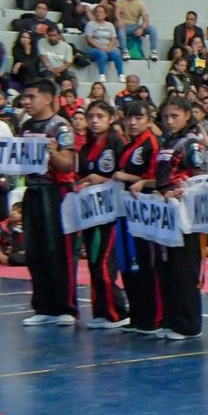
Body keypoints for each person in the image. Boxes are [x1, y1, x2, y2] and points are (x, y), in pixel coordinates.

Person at [150, 96, 207, 341]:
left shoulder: (192, 143)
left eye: (174, 116)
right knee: (167, 267)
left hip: (186, 214)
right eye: (165, 117)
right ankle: (171, 318)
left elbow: (199, 176)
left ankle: (189, 324)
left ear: (187, 115)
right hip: (166, 211)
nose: (169, 121)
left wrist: (182, 190)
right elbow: (163, 177)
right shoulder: (167, 142)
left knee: (185, 269)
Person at [74, 100, 130, 329]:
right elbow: (82, 175)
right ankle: (101, 311)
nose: (94, 121)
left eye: (100, 116)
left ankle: (117, 312)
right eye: (91, 117)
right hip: (92, 212)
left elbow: (123, 176)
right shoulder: (86, 147)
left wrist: (101, 180)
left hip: (113, 213)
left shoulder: (118, 143)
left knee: (105, 263)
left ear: (111, 118)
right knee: (94, 262)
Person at [114, 100, 164, 335]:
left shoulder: (151, 145)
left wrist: (127, 177)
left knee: (144, 264)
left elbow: (157, 180)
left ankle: (151, 317)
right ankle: (137, 314)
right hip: (127, 212)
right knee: (128, 264)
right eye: (129, 118)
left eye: (138, 118)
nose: (133, 123)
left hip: (145, 213)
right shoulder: (130, 145)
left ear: (149, 120)